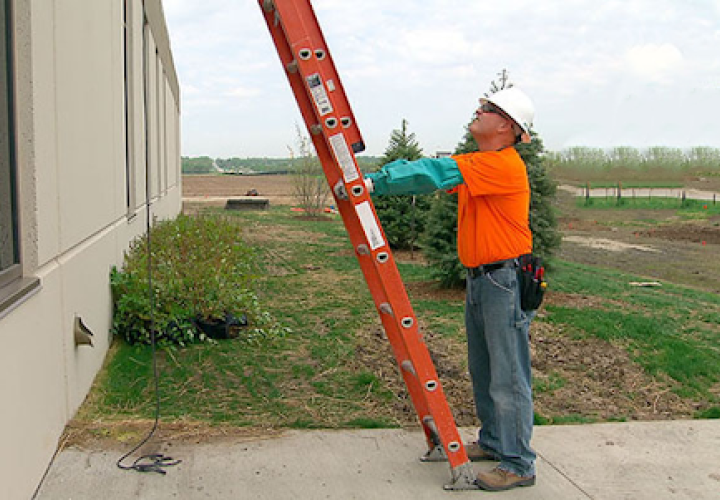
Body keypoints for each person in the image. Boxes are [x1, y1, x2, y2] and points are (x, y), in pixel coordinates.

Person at [364, 87, 537, 491]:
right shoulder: (483, 164)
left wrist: (373, 182)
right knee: (485, 368)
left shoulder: (503, 165)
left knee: (508, 374)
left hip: (503, 280)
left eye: (488, 109)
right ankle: (495, 442)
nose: (477, 111)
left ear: (507, 126)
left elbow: (436, 173)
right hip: (484, 279)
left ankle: (519, 463)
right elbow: (441, 172)